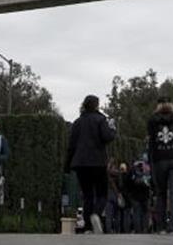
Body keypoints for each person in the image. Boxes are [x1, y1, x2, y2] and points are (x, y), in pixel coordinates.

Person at [65, 94, 116, 234]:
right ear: (96, 105)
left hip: (80, 163)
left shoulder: (77, 122)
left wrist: (67, 165)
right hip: (97, 161)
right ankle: (96, 214)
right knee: (102, 194)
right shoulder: (100, 119)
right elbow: (107, 137)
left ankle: (87, 227)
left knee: (87, 195)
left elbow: (71, 146)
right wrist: (113, 130)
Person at [147, 96, 173, 235]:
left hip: (159, 160)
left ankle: (161, 227)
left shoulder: (152, 120)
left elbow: (151, 141)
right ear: (172, 104)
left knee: (160, 194)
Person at [122, 153, 152, 234]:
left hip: (135, 195)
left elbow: (127, 182)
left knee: (137, 214)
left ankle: (138, 231)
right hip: (145, 195)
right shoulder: (148, 168)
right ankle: (145, 230)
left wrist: (129, 193)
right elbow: (152, 181)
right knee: (145, 213)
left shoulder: (132, 169)